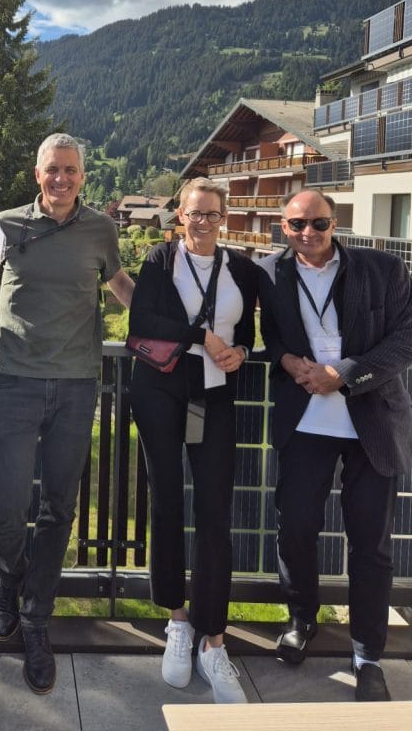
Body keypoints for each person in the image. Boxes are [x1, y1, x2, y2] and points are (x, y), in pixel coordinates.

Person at [0, 133, 134, 694]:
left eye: (70, 169)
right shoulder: (6, 223)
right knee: (6, 503)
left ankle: (36, 614)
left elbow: (119, 285)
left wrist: (177, 328)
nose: (61, 178)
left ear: (82, 175)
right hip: (15, 380)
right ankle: (7, 580)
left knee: (59, 506)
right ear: (36, 173)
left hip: (77, 385)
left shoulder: (101, 229)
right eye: (52, 169)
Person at [258, 189, 412, 702]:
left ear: (335, 222)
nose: (309, 233)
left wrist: (343, 374)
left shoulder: (383, 269)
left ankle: (368, 655)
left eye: (319, 223)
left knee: (370, 546)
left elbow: (405, 338)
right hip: (305, 422)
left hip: (372, 422)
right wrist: (286, 361)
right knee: (295, 529)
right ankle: (302, 619)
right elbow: (272, 335)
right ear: (284, 227)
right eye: (298, 225)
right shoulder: (270, 272)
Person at [127, 177, 257, 704]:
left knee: (214, 512)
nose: (203, 222)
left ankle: (213, 638)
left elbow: (248, 331)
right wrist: (201, 336)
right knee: (166, 502)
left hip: (215, 394)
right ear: (179, 215)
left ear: (224, 218)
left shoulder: (242, 269)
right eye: (194, 213)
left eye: (212, 214)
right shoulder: (161, 260)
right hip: (160, 391)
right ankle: (177, 621)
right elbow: (143, 319)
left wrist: (240, 352)